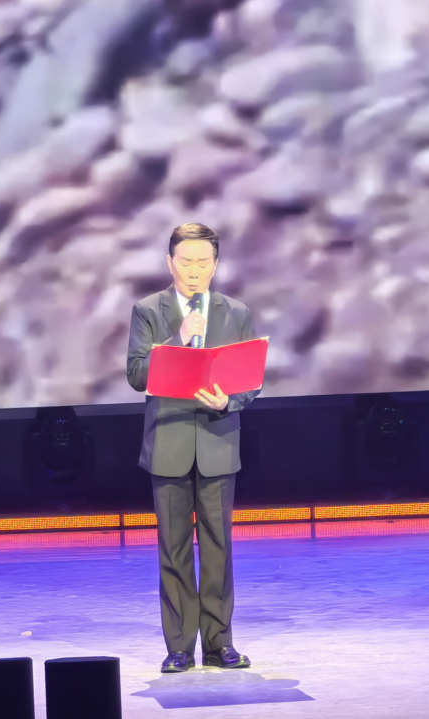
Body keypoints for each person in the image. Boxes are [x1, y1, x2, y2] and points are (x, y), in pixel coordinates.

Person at [127, 222, 261, 673]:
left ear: (216, 265)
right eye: (186, 262)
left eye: (203, 262)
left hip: (219, 442)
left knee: (219, 547)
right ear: (170, 263)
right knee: (174, 548)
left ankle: (220, 643)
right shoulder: (149, 310)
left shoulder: (236, 312)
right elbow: (136, 375)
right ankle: (179, 646)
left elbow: (251, 381)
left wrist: (229, 401)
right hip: (169, 442)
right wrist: (176, 340)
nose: (194, 271)